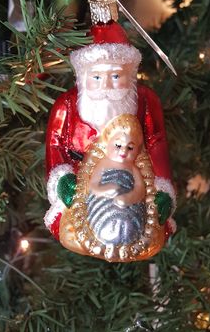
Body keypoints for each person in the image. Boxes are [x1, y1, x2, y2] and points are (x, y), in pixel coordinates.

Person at [44, 17, 176, 250]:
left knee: (147, 237)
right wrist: (63, 180)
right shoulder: (66, 105)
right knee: (74, 234)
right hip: (81, 188)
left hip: (137, 185)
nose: (106, 85)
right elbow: (55, 145)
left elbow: (157, 144)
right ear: (83, 77)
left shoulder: (145, 101)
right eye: (96, 77)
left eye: (115, 76)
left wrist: (162, 189)